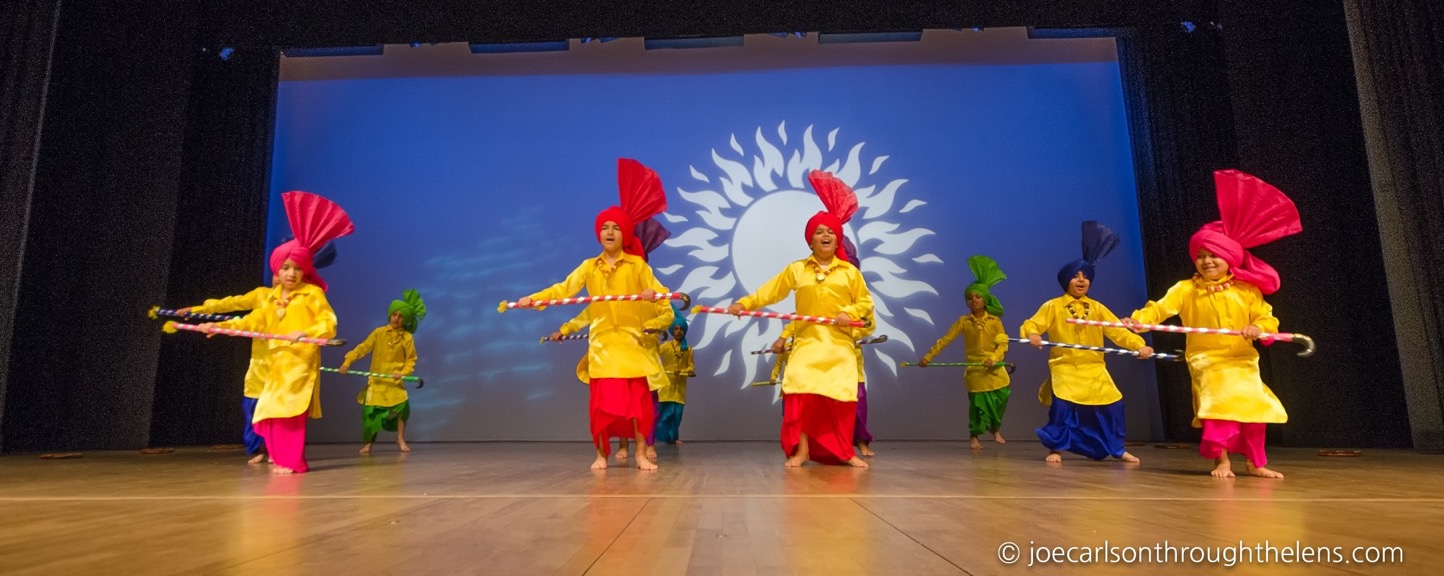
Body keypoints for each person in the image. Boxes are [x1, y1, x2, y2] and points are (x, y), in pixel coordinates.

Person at [1124, 170, 1301, 479]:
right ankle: (1222, 462)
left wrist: (1259, 329)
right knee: (1217, 410)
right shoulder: (1185, 289)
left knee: (1253, 412)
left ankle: (1255, 463)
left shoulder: (1247, 290)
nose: (1207, 261)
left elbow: (1266, 317)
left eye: (1214, 255)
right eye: (1201, 256)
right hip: (1206, 361)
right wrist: (1139, 321)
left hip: (1242, 360)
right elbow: (1160, 309)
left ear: (1229, 258)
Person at [521, 158, 673, 471]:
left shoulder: (638, 266)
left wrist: (652, 314)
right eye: (605, 227)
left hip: (632, 348)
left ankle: (640, 454)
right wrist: (534, 300)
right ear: (598, 234)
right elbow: (564, 290)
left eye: (616, 227)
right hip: (603, 349)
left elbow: (665, 304)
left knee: (639, 409)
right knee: (602, 410)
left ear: (625, 234)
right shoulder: (589, 267)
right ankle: (602, 454)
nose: (609, 231)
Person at [728, 170, 873, 467]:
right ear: (810, 240)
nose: (825, 235)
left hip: (839, 347)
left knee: (842, 400)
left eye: (830, 231)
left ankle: (845, 452)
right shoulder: (797, 269)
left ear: (838, 238)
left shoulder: (850, 273)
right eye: (819, 232)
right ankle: (802, 450)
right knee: (800, 395)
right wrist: (744, 303)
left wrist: (849, 314)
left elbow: (866, 304)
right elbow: (770, 291)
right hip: (807, 344)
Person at [205, 191, 353, 474]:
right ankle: (280, 458)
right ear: (277, 269)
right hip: (276, 365)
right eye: (285, 268)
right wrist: (219, 327)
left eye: (297, 268)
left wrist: (305, 332)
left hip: (299, 364)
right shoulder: (272, 299)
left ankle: (292, 461)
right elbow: (251, 322)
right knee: (266, 412)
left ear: (305, 270)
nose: (291, 273)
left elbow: (328, 323)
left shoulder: (312, 294)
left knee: (290, 413)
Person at [1019, 221, 1152, 464]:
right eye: (1075, 276)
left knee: (1113, 406)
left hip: (1094, 368)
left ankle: (1117, 448)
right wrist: (1033, 334)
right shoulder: (1053, 306)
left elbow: (1118, 332)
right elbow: (1033, 324)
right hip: (1065, 367)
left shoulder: (1097, 308)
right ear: (1066, 280)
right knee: (1062, 409)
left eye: (1086, 277)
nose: (1081, 280)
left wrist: (1138, 345)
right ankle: (1056, 448)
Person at [920, 255, 1011, 450]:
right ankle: (974, 435)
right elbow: (945, 340)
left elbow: (1003, 344)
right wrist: (928, 356)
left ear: (985, 299)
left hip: (994, 368)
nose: (974, 300)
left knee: (1002, 397)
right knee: (977, 407)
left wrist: (994, 358)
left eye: (977, 296)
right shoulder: (963, 321)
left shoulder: (995, 321)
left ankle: (995, 428)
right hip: (975, 370)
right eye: (970, 298)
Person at [341, 289, 425, 455]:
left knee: (402, 409)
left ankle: (400, 438)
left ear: (405, 320)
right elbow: (362, 348)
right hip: (376, 383)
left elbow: (411, 359)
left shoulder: (407, 337)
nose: (396, 319)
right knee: (370, 415)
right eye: (394, 315)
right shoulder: (378, 333)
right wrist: (347, 362)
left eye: (401, 316)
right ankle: (368, 443)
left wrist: (404, 372)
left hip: (394, 382)